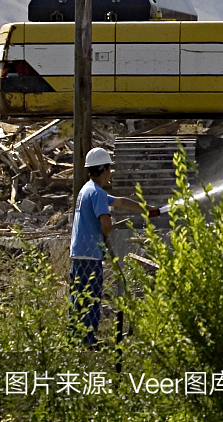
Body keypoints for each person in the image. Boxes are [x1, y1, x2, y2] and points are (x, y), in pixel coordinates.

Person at [69, 147, 160, 347]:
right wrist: (110, 226)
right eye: (109, 168)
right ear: (103, 170)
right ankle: (88, 341)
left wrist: (145, 209)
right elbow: (106, 224)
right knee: (91, 296)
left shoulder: (87, 189)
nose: (110, 172)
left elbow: (119, 202)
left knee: (78, 295)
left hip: (78, 252)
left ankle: (75, 337)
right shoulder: (98, 193)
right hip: (91, 254)